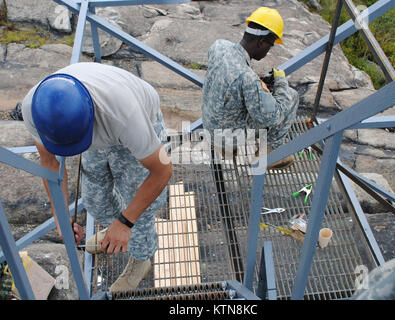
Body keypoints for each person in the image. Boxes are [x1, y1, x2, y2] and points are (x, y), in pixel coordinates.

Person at [21, 62, 172, 292]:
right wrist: (60, 216)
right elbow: (50, 163)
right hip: (98, 129)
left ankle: (141, 259)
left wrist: (126, 221)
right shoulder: (35, 108)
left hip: (134, 123)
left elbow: (162, 171)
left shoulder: (125, 114)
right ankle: (115, 231)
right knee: (95, 197)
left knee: (140, 208)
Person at [201, 7, 299, 169]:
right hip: (227, 138)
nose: (269, 50)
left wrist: (257, 83)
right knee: (291, 96)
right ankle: (269, 153)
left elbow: (229, 75)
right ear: (261, 42)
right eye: (270, 45)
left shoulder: (219, 46)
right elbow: (273, 117)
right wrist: (281, 81)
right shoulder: (247, 78)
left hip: (210, 126)